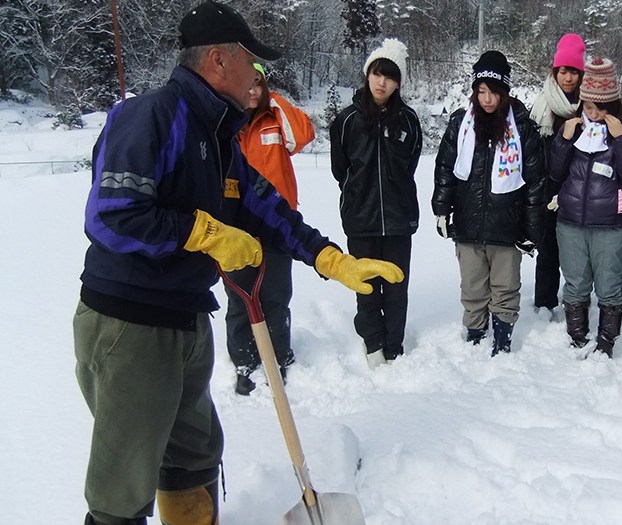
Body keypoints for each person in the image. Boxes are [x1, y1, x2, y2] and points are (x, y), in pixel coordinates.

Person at [73, 2, 403, 523]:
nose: (257, 74)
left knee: (194, 456)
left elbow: (268, 209)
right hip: (130, 325)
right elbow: (112, 216)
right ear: (219, 60)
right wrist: (205, 233)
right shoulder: (151, 116)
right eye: (251, 60)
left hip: (183, 322)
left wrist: (330, 259)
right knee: (123, 489)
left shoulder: (221, 138)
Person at [432, 50, 545, 356]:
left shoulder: (522, 127)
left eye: (494, 92)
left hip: (507, 226)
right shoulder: (461, 124)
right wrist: (442, 209)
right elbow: (445, 168)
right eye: (481, 91)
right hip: (468, 223)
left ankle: (503, 338)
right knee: (472, 287)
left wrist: (532, 228)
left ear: (505, 92)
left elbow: (535, 183)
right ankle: (474, 335)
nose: (487, 99)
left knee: (505, 288)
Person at [224, 62, 315, 395]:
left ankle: (278, 358)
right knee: (239, 301)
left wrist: (273, 99)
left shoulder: (275, 119)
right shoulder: (227, 127)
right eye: (246, 83)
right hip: (235, 230)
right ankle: (245, 364)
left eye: (258, 84)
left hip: (278, 225)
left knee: (276, 297)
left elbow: (303, 134)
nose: (251, 91)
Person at [331, 38, 423, 369]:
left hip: (398, 220)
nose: (381, 82)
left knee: (396, 287)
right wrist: (358, 195)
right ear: (367, 75)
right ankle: (373, 345)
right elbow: (340, 170)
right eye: (376, 74)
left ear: (398, 82)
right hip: (361, 219)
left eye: (390, 76)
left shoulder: (409, 121)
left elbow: (410, 164)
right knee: (366, 287)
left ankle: (394, 346)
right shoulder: (346, 121)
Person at [547, 56, 622, 357]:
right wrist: (563, 141)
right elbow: (554, 172)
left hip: (610, 225)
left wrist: (620, 140)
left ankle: (606, 341)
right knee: (575, 283)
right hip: (570, 222)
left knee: (609, 284)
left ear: (612, 106)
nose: (592, 114)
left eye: (599, 108)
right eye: (587, 106)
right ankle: (577, 335)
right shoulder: (573, 129)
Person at [528, 33, 586, 318]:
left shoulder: (589, 106)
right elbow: (531, 149)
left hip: (579, 190)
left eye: (574, 71)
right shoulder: (543, 106)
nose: (568, 78)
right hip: (548, 190)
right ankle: (544, 304)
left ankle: (578, 304)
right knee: (548, 250)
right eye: (563, 71)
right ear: (555, 71)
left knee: (577, 253)